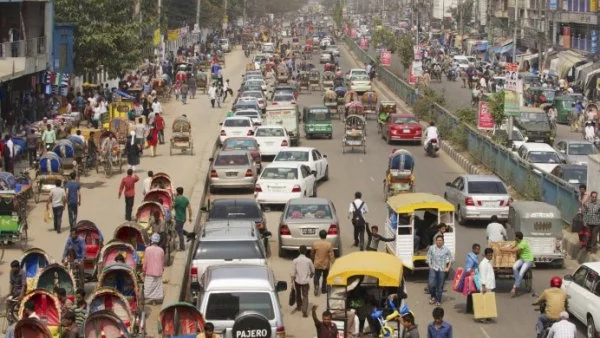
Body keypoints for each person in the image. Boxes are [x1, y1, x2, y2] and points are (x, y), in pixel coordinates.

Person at [502, 231, 534, 296]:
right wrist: (504, 247)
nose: (514, 237)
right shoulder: (517, 241)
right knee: (514, 267)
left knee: (521, 272)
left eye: (515, 236)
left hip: (528, 260)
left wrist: (503, 250)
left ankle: (515, 287)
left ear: (517, 237)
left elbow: (513, 250)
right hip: (522, 259)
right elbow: (511, 246)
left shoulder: (523, 243)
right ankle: (517, 282)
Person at [426, 235, 453, 306]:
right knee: (431, 284)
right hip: (433, 268)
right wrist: (430, 265)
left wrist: (448, 268)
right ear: (436, 241)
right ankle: (433, 296)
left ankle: (438, 300)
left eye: (441, 240)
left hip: (442, 269)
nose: (439, 242)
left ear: (443, 241)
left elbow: (451, 259)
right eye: (438, 240)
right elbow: (428, 256)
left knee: (440, 286)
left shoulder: (446, 249)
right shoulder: (432, 248)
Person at [291, 245, 314, 317]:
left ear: (299, 251)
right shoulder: (309, 261)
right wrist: (310, 276)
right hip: (305, 282)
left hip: (297, 281)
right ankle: (304, 310)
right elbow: (313, 270)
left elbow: (293, 272)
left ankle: (298, 306)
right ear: (306, 251)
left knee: (298, 294)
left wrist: (292, 281)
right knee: (305, 296)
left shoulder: (295, 260)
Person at [311, 230, 335, 297]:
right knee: (325, 277)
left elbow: (312, 253)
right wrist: (334, 263)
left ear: (319, 235)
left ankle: (316, 286)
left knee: (316, 276)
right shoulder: (329, 244)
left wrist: (312, 260)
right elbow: (331, 255)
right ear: (326, 235)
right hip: (326, 264)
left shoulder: (315, 244)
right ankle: (324, 289)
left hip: (317, 263)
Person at [143, 233, 165, 305]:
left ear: (151, 240)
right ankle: (154, 300)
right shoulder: (161, 250)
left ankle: (151, 300)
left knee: (149, 286)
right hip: (158, 271)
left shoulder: (147, 249)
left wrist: (144, 269)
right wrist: (162, 269)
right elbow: (162, 261)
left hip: (149, 271)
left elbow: (145, 261)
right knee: (156, 287)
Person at [173, 187, 192, 251]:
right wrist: (190, 217)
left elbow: (172, 206)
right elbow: (189, 209)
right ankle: (188, 234)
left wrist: (174, 199)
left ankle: (182, 247)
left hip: (179, 218)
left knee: (180, 232)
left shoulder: (177, 200)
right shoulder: (185, 199)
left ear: (178, 192)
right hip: (184, 218)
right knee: (177, 228)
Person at [463, 243, 480, 314]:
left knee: (471, 293)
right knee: (475, 293)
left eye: (479, 249)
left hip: (472, 277)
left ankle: (469, 309)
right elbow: (468, 269)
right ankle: (473, 309)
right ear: (473, 249)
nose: (478, 251)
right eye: (476, 249)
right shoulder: (471, 258)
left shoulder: (473, 256)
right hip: (472, 278)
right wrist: (475, 270)